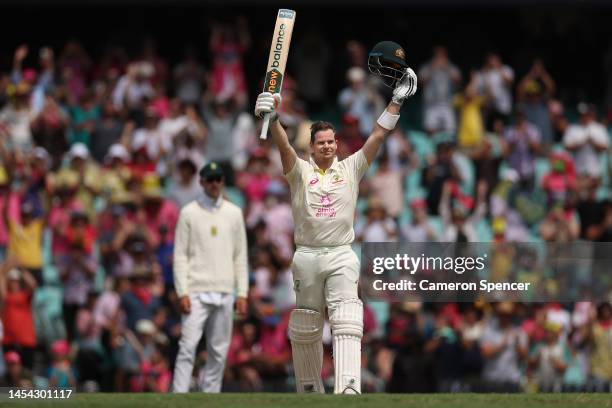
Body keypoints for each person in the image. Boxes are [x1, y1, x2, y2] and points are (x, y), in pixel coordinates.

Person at [254, 40, 417, 394]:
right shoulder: (298, 171)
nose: (327, 146)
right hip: (308, 254)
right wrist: (273, 115)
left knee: (347, 318)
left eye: (332, 142)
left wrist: (397, 100)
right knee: (306, 323)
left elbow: (377, 134)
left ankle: (347, 387)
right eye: (321, 142)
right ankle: (309, 389)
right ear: (312, 146)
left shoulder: (352, 167)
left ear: (337, 145)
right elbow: (282, 145)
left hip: (341, 252)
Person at [172, 162, 248, 393]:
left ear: (223, 182)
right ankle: (179, 395)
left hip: (225, 291)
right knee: (188, 347)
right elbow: (180, 256)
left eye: (218, 179)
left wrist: (242, 293)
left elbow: (240, 256)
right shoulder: (188, 213)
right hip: (195, 290)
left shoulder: (234, 213)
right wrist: (182, 291)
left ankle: (210, 396)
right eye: (210, 179)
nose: (214, 184)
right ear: (201, 182)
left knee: (218, 350)